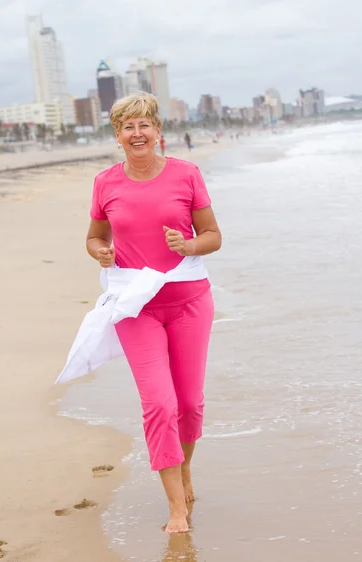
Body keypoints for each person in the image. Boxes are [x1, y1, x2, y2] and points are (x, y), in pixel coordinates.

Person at [86, 92, 221, 534]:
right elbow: (94, 238)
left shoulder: (186, 174)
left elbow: (213, 235)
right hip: (135, 306)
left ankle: (184, 468)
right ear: (118, 136)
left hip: (189, 301)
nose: (137, 133)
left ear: (158, 132)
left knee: (188, 403)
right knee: (159, 404)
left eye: (144, 125)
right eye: (128, 126)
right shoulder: (105, 183)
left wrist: (189, 245)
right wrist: (101, 253)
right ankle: (176, 507)